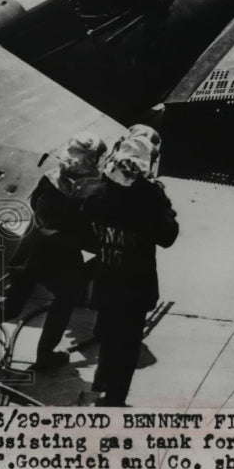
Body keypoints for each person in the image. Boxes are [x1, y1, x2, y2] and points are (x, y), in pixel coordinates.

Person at [0, 133, 106, 371]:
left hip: (32, 248)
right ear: (93, 159)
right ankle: (45, 355)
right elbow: (89, 229)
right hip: (62, 256)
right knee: (65, 299)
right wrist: (99, 247)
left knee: (12, 302)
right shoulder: (95, 189)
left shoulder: (51, 176)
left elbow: (34, 203)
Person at [83, 126, 178, 406]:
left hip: (105, 277)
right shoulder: (149, 196)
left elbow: (85, 225)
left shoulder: (98, 188)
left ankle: (102, 381)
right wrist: (164, 205)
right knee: (127, 345)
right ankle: (114, 398)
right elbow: (168, 236)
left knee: (107, 334)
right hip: (135, 286)